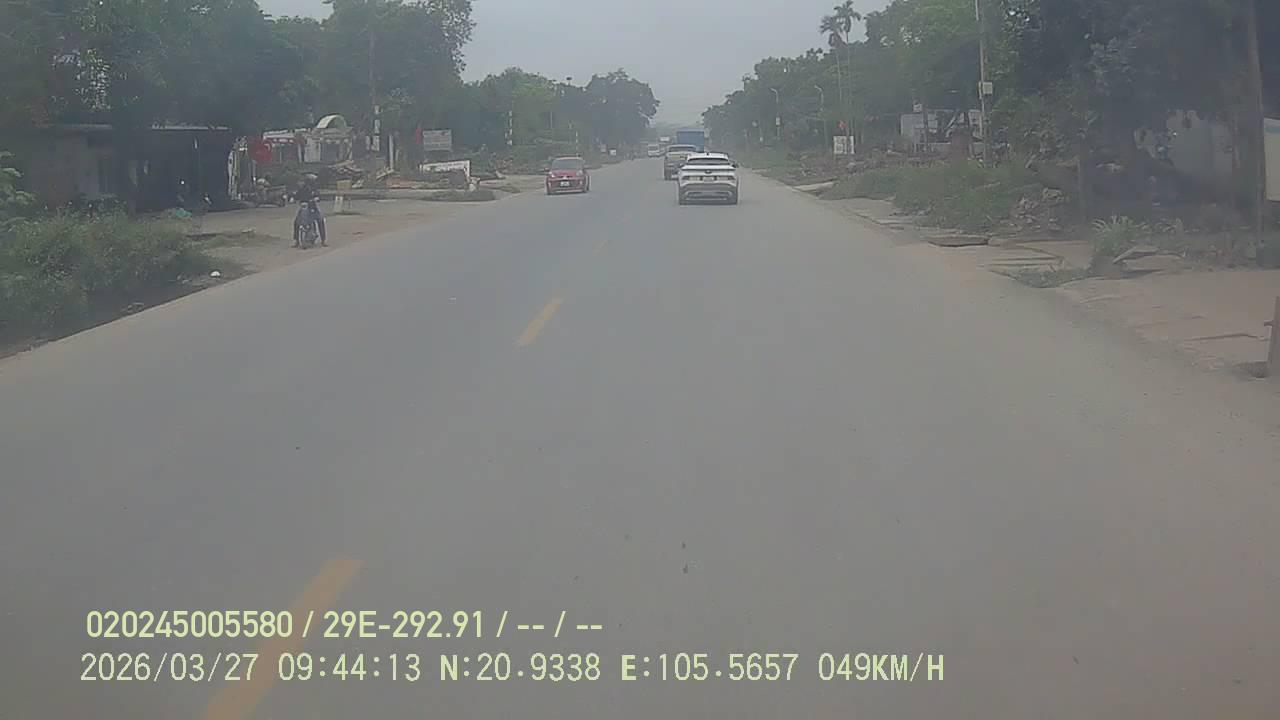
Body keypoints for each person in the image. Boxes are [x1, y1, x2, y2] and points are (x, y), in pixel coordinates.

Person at [293, 173, 327, 247]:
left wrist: (316, 198)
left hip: (313, 208)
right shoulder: (301, 190)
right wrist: (292, 198)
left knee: (320, 220)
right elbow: (296, 196)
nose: (300, 183)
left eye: (302, 181)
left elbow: (318, 196)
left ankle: (323, 240)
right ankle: (296, 240)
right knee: (296, 222)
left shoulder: (313, 189)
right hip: (303, 207)